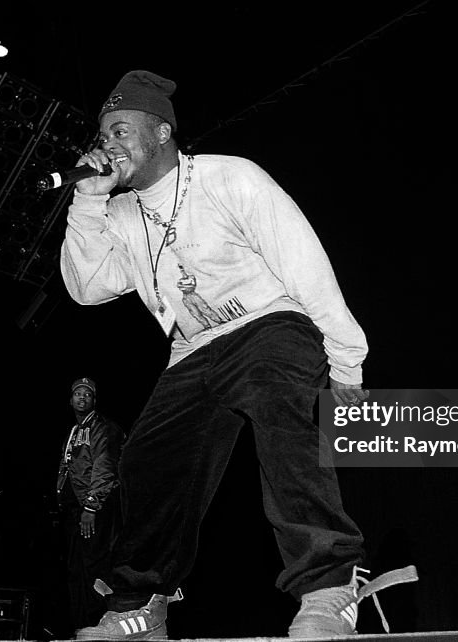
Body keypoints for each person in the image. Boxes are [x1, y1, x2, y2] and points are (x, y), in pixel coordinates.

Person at [59, 70, 417, 639]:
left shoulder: (230, 178)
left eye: (122, 130)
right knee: (145, 459)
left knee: (278, 399)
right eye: (104, 135)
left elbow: (306, 264)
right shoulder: (121, 214)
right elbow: (86, 285)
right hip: (194, 349)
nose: (109, 145)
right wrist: (86, 197)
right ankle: (140, 603)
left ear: (161, 132)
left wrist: (347, 362)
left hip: (269, 322)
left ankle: (330, 585)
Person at [55, 377, 125, 633]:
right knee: (77, 569)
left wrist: (91, 507)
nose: (82, 398)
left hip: (95, 509)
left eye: (87, 394)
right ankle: (80, 627)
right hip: (74, 509)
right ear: (71, 399)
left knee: (96, 567)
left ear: (94, 400)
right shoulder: (74, 430)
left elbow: (105, 467)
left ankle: (100, 624)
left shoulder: (103, 428)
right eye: (78, 394)